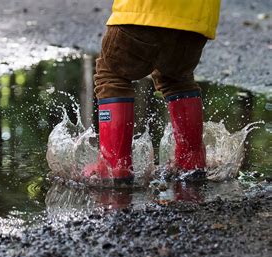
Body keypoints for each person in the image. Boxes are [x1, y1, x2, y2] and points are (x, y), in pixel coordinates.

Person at [91, 0, 221, 183]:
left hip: (145, 10)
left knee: (112, 75)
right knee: (177, 79)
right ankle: (191, 162)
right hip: (196, 22)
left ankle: (114, 166)